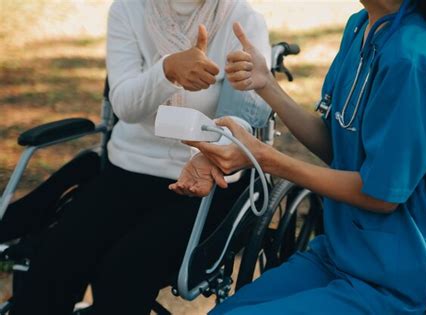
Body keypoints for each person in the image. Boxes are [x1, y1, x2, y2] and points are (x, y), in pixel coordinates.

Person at [174, 0, 426, 313]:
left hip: (402, 279)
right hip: (342, 252)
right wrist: (267, 85)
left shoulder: (414, 60)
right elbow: (336, 144)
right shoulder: (361, 26)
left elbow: (381, 196)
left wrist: (265, 157)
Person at [11, 1, 271, 314]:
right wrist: (167, 71)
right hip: (129, 168)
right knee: (55, 263)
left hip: (206, 182)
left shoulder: (242, 20)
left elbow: (242, 116)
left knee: (124, 271)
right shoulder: (128, 10)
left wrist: (212, 152)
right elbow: (124, 105)